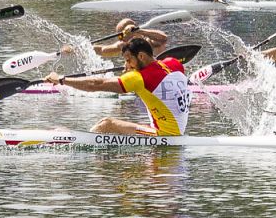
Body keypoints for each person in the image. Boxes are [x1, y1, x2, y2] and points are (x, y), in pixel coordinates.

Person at [45, 38, 190, 136]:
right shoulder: (174, 64)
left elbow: (97, 84)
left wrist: (62, 80)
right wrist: (133, 69)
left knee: (107, 124)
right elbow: (157, 71)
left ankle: (77, 141)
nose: (126, 65)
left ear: (141, 56)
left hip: (166, 135)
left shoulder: (138, 79)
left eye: (128, 60)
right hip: (174, 129)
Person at [93, 18, 169, 58]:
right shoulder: (123, 45)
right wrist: (84, 46)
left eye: (121, 35)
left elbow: (164, 38)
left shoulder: (149, 40)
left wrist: (140, 31)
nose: (120, 39)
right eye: (119, 36)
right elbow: (102, 50)